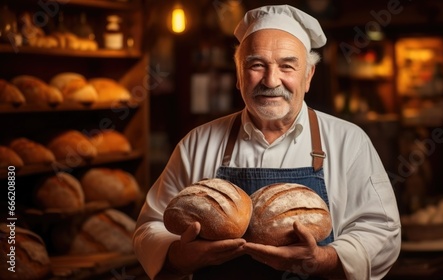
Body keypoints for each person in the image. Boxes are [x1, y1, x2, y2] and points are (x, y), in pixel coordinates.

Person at [134, 4, 401, 280]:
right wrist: (178, 257)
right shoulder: (197, 143)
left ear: (308, 76)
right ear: (239, 75)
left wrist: (323, 259)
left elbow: (382, 232)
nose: (271, 80)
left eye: (287, 66)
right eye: (256, 65)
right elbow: (150, 226)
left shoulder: (349, 141)